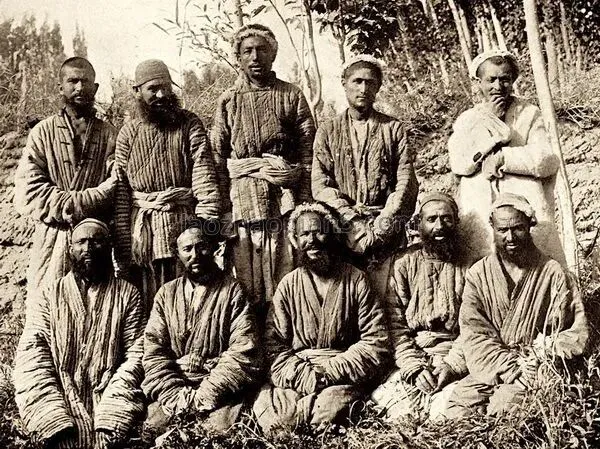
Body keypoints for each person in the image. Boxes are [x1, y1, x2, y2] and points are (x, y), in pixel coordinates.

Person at [444, 193, 588, 418]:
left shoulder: (553, 272)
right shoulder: (478, 274)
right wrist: (511, 368)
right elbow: (474, 333)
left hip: (535, 368)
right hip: (494, 365)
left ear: (530, 225)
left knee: (504, 409)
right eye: (502, 230)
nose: (510, 237)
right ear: (493, 228)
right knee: (457, 408)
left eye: (518, 228)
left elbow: (575, 331)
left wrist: (541, 354)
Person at [253, 203, 389, 434]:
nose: (312, 240)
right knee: (277, 415)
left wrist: (330, 372)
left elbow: (375, 341)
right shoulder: (288, 285)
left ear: (332, 234)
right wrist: (304, 376)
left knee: (330, 411)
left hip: (342, 374)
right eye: (304, 234)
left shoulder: (356, 280)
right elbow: (273, 345)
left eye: (319, 232)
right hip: (297, 374)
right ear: (295, 240)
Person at [13, 219, 145, 449]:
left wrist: (112, 410)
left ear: (110, 247)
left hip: (109, 395)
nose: (88, 248)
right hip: (60, 396)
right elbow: (32, 356)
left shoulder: (128, 294)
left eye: (97, 241)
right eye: (81, 242)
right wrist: (52, 414)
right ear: (70, 249)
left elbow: (136, 356)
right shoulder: (49, 295)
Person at [211, 24, 315, 305]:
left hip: (282, 200)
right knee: (245, 282)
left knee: (286, 275)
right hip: (242, 203)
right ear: (238, 57)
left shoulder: (291, 95)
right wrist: (223, 208)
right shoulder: (228, 101)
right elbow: (217, 157)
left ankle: (282, 326)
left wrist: (305, 200)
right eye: (248, 51)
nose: (255, 57)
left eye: (262, 50)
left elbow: (308, 150)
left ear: (273, 54)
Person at [114, 59, 220, 312]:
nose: (161, 95)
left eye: (165, 87)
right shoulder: (128, 133)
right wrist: (124, 246)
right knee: (149, 302)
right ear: (137, 91)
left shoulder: (189, 124)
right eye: (153, 89)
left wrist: (206, 227)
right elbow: (122, 192)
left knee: (190, 300)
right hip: (144, 235)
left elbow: (204, 176)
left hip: (185, 226)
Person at [312, 55, 418, 298]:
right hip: (343, 231)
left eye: (370, 82)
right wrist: (351, 221)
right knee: (348, 297)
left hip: (386, 228)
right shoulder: (327, 130)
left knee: (390, 295)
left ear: (378, 87)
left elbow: (405, 181)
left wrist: (383, 225)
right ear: (344, 83)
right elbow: (320, 184)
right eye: (357, 81)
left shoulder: (393, 128)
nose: (363, 89)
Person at [142, 220, 261, 435]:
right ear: (177, 253)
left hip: (219, 388)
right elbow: (154, 352)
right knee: (155, 429)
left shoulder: (233, 290)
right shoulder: (166, 294)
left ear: (214, 248)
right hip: (175, 386)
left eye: (202, 246)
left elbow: (243, 350)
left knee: (215, 434)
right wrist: (173, 395)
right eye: (187, 249)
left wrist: (204, 395)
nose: (195, 255)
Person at [14, 57, 118, 303]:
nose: (79, 87)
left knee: (97, 306)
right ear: (60, 87)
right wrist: (81, 201)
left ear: (95, 88)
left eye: (85, 81)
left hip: (95, 240)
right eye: (73, 81)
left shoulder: (110, 134)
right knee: (48, 306)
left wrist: (94, 207)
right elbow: (29, 190)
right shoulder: (42, 132)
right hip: (54, 238)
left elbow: (117, 185)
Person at [447, 50, 564, 265]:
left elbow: (546, 159)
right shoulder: (468, 120)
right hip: (480, 205)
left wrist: (504, 158)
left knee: (534, 264)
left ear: (513, 81)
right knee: (483, 265)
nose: (498, 87)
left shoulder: (529, 114)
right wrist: (490, 127)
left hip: (523, 203)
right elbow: (459, 162)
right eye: (491, 80)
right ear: (479, 83)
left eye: (505, 79)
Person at [371, 192, 468, 420]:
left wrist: (452, 365)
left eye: (446, 219)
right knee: (393, 409)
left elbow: (474, 326)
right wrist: (414, 367)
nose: (439, 226)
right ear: (419, 224)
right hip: (415, 355)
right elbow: (394, 324)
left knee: (451, 412)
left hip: (455, 355)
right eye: (431, 219)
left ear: (456, 222)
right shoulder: (403, 264)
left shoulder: (470, 265)